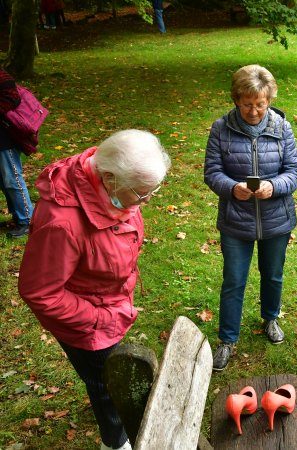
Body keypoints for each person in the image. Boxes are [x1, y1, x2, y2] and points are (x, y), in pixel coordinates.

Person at [18, 130, 171, 450]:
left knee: (106, 374)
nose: (148, 199)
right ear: (110, 179)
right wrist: (101, 319)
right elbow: (41, 292)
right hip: (86, 322)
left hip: (108, 306)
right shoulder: (62, 223)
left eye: (152, 189)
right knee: (105, 385)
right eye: (142, 193)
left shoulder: (113, 189)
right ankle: (115, 443)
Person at [204, 64, 297, 371]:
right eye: (247, 104)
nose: (254, 111)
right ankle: (227, 339)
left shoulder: (281, 127)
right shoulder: (221, 128)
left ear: (269, 99)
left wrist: (274, 187)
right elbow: (211, 172)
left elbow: (295, 171)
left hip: (276, 217)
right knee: (234, 279)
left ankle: (271, 319)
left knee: (273, 274)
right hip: (236, 219)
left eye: (260, 104)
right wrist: (232, 189)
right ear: (236, 100)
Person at [0, 68, 33, 238]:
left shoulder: (3, 76)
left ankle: (27, 220)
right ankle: (17, 215)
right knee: (3, 181)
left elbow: (12, 98)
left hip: (6, 138)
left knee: (12, 179)